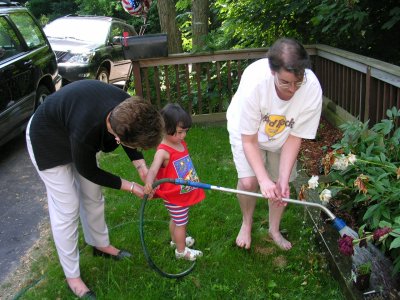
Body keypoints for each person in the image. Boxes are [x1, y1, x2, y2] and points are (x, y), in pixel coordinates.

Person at [26, 80, 164, 299]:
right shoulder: (87, 128)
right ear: (118, 138)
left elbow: (131, 138)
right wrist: (131, 187)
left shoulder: (128, 108)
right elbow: (89, 170)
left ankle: (100, 245)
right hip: (47, 138)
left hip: (72, 127)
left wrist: (141, 166)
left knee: (92, 194)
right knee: (68, 207)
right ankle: (73, 277)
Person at [226, 37, 323, 250]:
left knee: (280, 185)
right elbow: (249, 140)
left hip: (284, 133)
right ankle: (246, 222)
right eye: (285, 82)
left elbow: (295, 136)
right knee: (250, 182)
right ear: (273, 72)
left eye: (298, 82)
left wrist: (282, 179)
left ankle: (274, 229)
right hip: (247, 131)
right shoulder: (255, 85)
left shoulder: (312, 89)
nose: (293, 89)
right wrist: (263, 179)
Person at [144, 103, 205, 261]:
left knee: (177, 219)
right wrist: (149, 182)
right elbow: (152, 170)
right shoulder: (163, 151)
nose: (183, 136)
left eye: (185, 131)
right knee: (181, 223)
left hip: (182, 193)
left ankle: (175, 241)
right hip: (174, 195)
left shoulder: (179, 143)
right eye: (179, 132)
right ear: (165, 129)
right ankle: (181, 251)